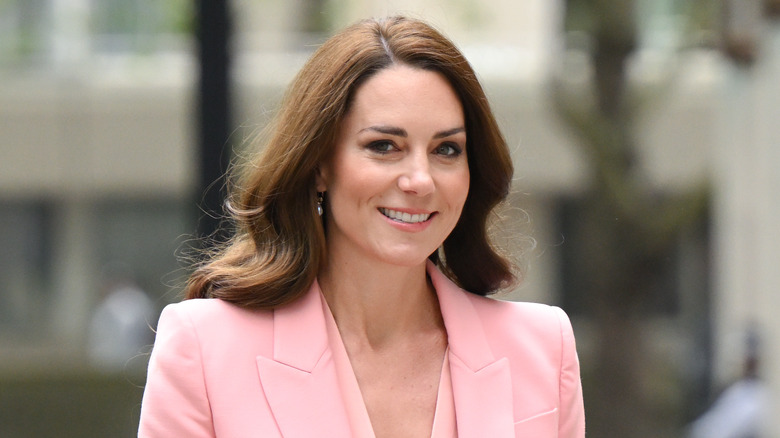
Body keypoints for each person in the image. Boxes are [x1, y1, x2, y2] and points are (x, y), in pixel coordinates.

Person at [139, 16, 585, 437]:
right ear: (319, 165)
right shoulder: (204, 347)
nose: (420, 180)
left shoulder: (543, 349)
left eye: (446, 149)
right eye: (385, 145)